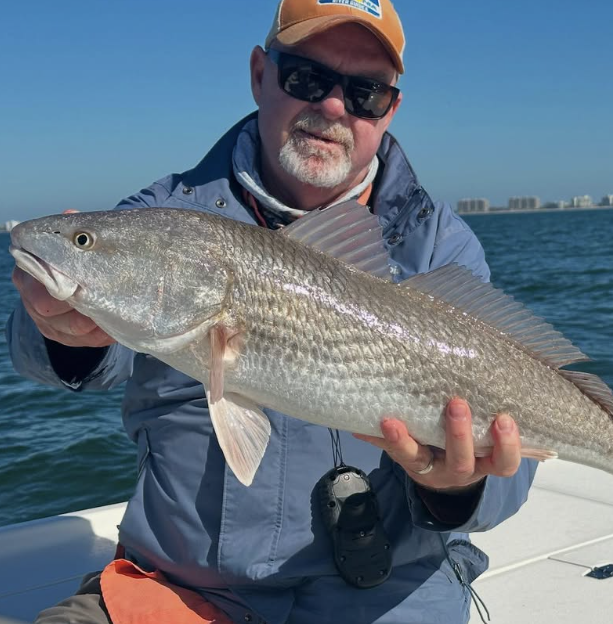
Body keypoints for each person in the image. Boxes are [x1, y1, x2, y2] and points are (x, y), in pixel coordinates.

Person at [7, 1, 537, 622]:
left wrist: (460, 488)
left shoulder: (440, 247)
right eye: (307, 78)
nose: (333, 106)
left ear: (390, 109)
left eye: (365, 92)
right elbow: (73, 355)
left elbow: (513, 445)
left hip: (392, 592)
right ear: (260, 74)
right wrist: (63, 330)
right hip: (181, 587)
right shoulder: (164, 217)